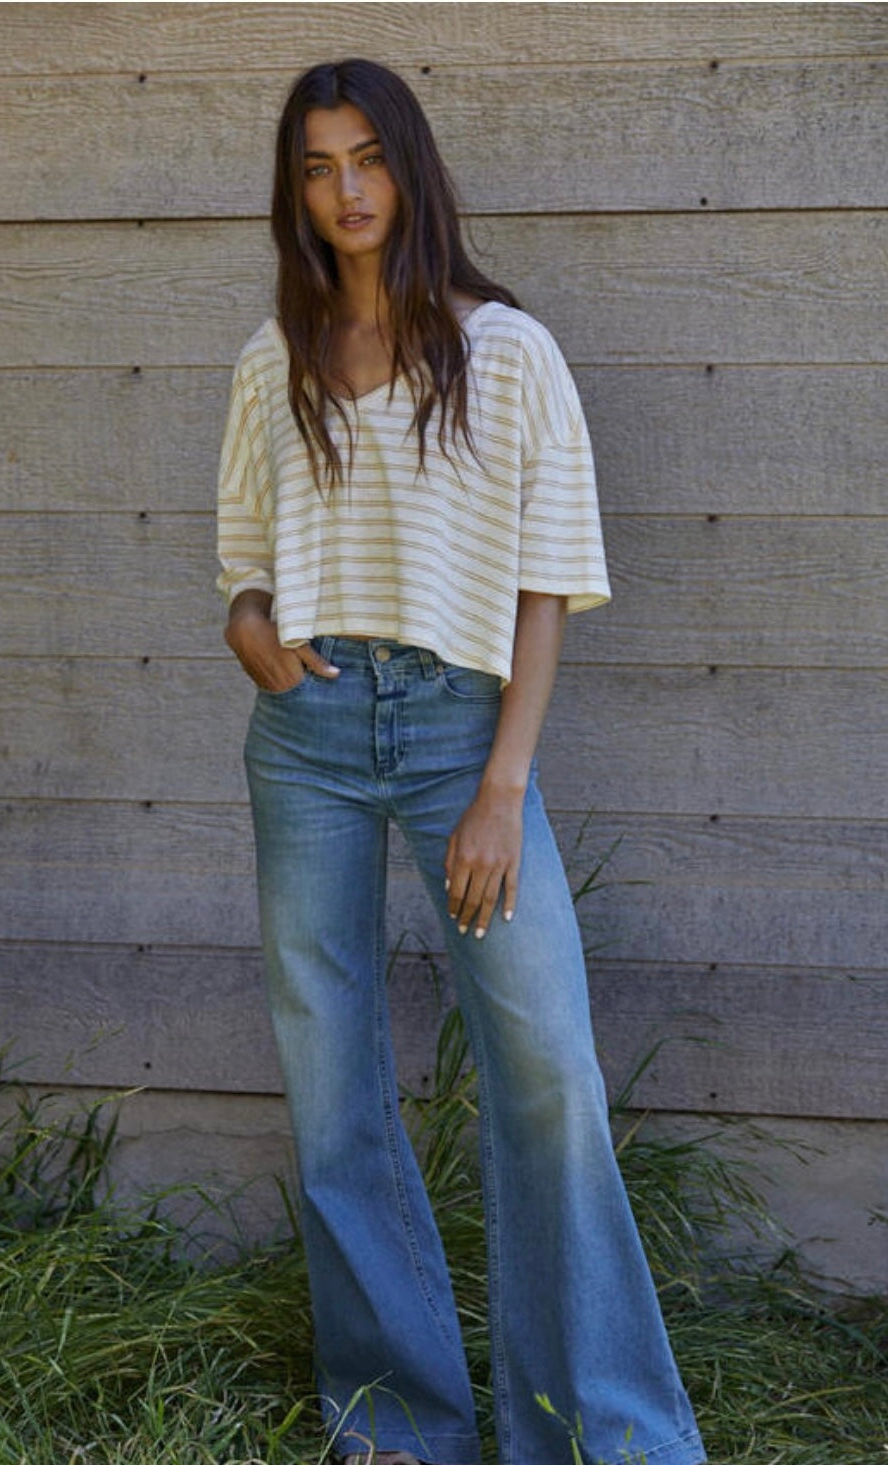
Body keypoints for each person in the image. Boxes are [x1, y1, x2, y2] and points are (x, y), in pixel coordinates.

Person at [217, 57, 706, 1465]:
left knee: (544, 1067)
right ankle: (395, 1422)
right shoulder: (275, 358)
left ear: (409, 166)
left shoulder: (506, 352)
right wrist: (247, 622)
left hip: (456, 732)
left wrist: (501, 783)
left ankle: (601, 1430)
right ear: (292, 192)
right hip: (305, 734)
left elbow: (546, 582)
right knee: (330, 1081)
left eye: (365, 157)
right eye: (315, 167)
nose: (345, 190)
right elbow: (243, 565)